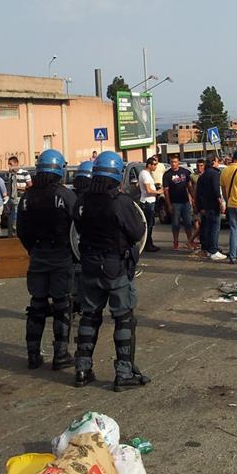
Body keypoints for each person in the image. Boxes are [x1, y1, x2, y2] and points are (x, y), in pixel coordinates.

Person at [72, 151, 150, 391]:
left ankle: (82, 369)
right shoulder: (120, 202)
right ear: (117, 174)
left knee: (89, 316)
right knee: (124, 318)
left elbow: (77, 229)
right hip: (115, 268)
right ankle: (124, 373)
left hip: (89, 265)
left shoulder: (82, 201)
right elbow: (138, 232)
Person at [18, 150, 76, 371]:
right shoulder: (64, 195)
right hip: (61, 255)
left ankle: (33, 354)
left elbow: (21, 229)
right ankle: (60, 354)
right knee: (62, 306)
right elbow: (77, 225)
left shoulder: (27, 197)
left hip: (38, 255)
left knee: (37, 305)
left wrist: (33, 250)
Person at [195, 154, 226, 260]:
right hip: (213, 205)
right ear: (213, 162)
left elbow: (198, 193)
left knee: (208, 227)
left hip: (205, 206)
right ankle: (213, 250)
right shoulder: (214, 174)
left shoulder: (202, 176)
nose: (218, 163)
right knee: (215, 227)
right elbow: (216, 189)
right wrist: (220, 202)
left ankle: (209, 249)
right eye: (217, 161)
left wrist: (199, 207)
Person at [162, 156, 193, 250]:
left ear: (178, 162)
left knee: (188, 223)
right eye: (171, 162)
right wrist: (169, 204)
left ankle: (190, 241)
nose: (173, 164)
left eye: (175, 162)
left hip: (185, 202)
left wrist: (193, 198)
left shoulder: (184, 172)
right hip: (175, 203)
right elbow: (166, 191)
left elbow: (189, 186)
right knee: (176, 224)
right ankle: (176, 242)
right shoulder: (167, 175)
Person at [138, 157, 162, 252]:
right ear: (149, 165)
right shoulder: (145, 174)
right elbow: (148, 190)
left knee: (150, 224)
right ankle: (147, 245)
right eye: (154, 164)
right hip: (147, 202)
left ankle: (150, 243)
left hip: (149, 201)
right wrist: (158, 191)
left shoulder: (146, 174)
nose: (155, 166)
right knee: (149, 225)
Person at [6, 156, 32, 238]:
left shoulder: (25, 173)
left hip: (20, 199)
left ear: (16, 163)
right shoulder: (11, 175)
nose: (10, 166)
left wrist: (19, 188)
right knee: (12, 221)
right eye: (9, 165)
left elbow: (30, 186)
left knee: (17, 220)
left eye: (11, 164)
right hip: (12, 200)